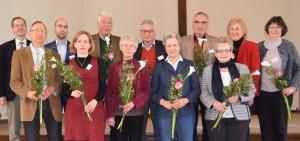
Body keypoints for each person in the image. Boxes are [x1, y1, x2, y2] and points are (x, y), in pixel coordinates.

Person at [10, 21, 63, 141]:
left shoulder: (54, 55)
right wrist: (28, 92)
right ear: (30, 34)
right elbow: (14, 82)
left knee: (56, 137)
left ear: (46, 34)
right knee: (32, 138)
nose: (40, 33)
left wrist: (52, 88)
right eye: (36, 30)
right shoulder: (19, 55)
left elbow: (59, 79)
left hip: (51, 102)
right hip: (30, 103)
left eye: (43, 31)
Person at [200, 37, 255, 141]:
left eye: (226, 50)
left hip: (239, 116)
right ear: (215, 53)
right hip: (214, 116)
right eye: (220, 51)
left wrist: (238, 96)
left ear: (231, 52)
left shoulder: (242, 69)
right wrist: (213, 102)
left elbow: (251, 90)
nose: (223, 54)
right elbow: (203, 92)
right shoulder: (207, 71)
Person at [257, 16, 300, 141]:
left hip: (282, 94)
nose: (274, 29)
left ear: (282, 29)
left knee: (280, 128)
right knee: (266, 127)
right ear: (267, 29)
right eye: (271, 27)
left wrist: (293, 86)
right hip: (263, 94)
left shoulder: (288, 46)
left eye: (277, 27)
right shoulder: (259, 46)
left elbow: (298, 68)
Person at [151, 32, 200, 141]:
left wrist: (186, 100)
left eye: (175, 45)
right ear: (165, 48)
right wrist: (163, 102)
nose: (172, 48)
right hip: (165, 113)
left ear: (179, 46)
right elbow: (153, 93)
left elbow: (196, 90)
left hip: (186, 113)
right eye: (169, 46)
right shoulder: (159, 67)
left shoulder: (189, 65)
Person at [106, 33, 151, 141]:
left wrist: (133, 103)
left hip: (136, 114)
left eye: (131, 46)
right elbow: (109, 92)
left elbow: (147, 91)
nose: (128, 48)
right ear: (121, 48)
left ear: (135, 49)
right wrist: (110, 115)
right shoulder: (114, 67)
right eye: (125, 45)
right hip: (118, 113)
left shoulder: (141, 67)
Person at [63, 31, 106, 141]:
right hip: (74, 110)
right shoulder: (68, 63)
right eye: (79, 41)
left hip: (94, 109)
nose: (82, 44)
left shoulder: (99, 62)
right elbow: (63, 88)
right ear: (75, 44)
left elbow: (103, 87)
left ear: (90, 45)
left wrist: (95, 101)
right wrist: (71, 93)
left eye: (85, 42)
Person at [180, 11, 217, 141]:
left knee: (209, 120)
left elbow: (217, 65)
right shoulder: (182, 41)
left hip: (209, 88)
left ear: (207, 25)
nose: (200, 25)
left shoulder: (215, 41)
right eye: (196, 22)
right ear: (192, 24)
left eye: (203, 22)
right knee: (190, 120)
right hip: (189, 88)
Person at [226, 18, 260, 141]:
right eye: (231, 29)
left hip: (244, 93)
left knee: (243, 128)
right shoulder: (225, 46)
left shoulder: (252, 46)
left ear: (243, 30)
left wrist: (251, 94)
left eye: (237, 29)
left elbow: (255, 71)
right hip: (227, 93)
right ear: (228, 31)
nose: (234, 31)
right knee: (228, 127)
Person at [133, 18, 167, 141]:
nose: (147, 34)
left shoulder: (163, 46)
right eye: (144, 31)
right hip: (141, 93)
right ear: (140, 32)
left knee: (158, 126)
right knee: (141, 126)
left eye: (150, 31)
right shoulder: (134, 48)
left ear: (155, 32)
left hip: (158, 93)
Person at [0, 16, 31, 141]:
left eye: (22, 25)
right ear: (13, 29)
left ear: (26, 28)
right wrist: (1, 94)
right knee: (14, 129)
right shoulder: (4, 48)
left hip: (31, 92)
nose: (20, 27)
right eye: (17, 25)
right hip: (12, 93)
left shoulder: (34, 46)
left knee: (31, 126)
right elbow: (1, 72)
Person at [45, 18, 71, 111]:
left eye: (65, 27)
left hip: (70, 90)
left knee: (72, 121)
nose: (62, 29)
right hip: (54, 91)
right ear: (55, 28)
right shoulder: (46, 48)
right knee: (55, 122)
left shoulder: (74, 48)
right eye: (59, 26)